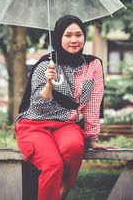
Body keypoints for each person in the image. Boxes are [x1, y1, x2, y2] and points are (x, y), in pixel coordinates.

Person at [14, 15, 116, 200]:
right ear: (59, 38)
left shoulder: (93, 65)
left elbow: (93, 103)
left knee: (74, 146)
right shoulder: (46, 65)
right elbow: (37, 107)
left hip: (66, 124)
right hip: (34, 125)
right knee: (52, 164)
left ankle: (63, 189)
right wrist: (48, 84)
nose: (74, 40)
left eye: (78, 34)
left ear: (84, 37)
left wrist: (92, 138)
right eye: (68, 35)